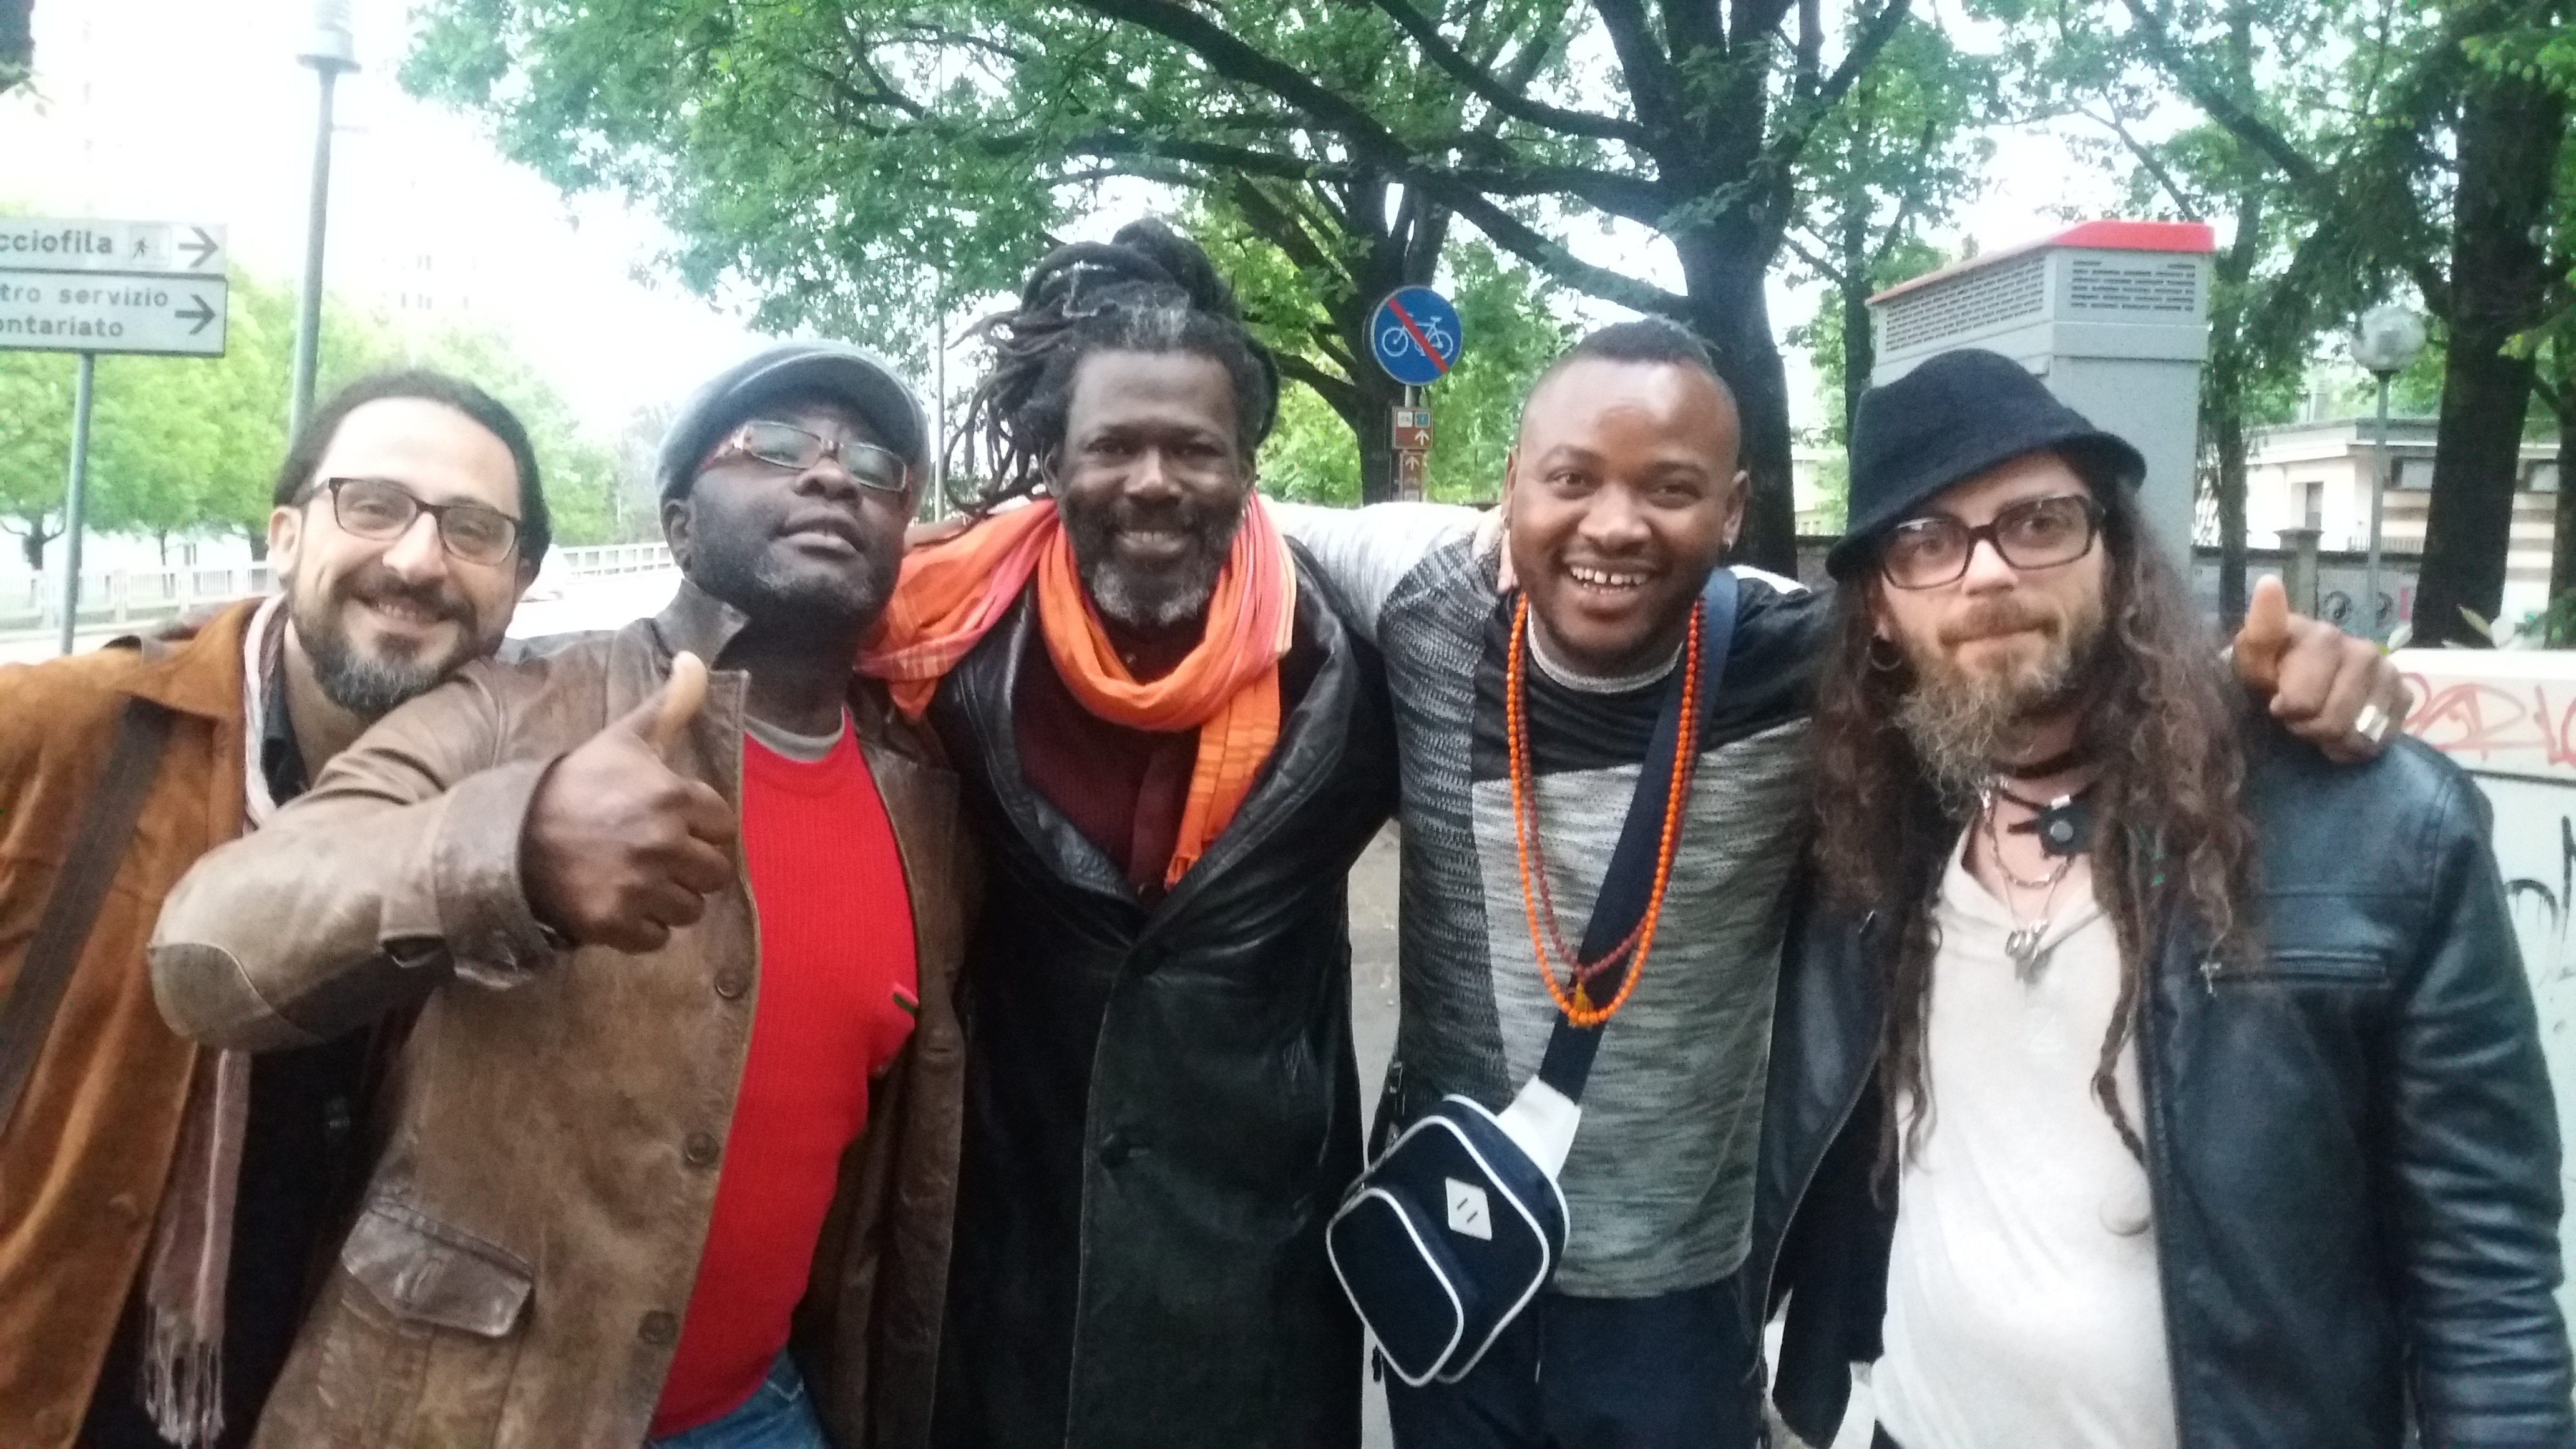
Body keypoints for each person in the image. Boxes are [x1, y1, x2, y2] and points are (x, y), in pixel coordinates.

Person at [1269, 323, 2407, 1449]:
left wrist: (2276, 680)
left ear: (1732, 509)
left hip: (1681, 1290)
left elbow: (2050, 665)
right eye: (1570, 480)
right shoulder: (1425, 590)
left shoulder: (1805, 661)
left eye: (1670, 488)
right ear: (1513, 480)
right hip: (1453, 1244)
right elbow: (1214, 497)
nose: (1613, 523)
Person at [149, 343, 973, 1449]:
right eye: (776, 445)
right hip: (455, 1420)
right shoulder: (512, 710)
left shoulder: (926, 804)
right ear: (680, 525)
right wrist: (514, 850)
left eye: (875, 465)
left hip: (760, 1411)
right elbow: (209, 949)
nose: (832, 474)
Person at [1752, 347, 2574, 1448]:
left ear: (2116, 551)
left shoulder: (2367, 824)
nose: (1986, 573)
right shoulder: (1876, 823)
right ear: (1880, 610)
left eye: (2038, 521)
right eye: (1927, 541)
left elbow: (2489, 1284)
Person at [859, 220, 1396, 1449]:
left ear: (1247, 468)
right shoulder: (940, 655)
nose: (1153, 479)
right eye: (1112, 445)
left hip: (1260, 1277)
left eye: (1194, 447)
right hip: (1014, 1266)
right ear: (1057, 460)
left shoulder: (1350, 671)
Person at [0, 371, 547, 1449]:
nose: (417, 559)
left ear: (522, 578)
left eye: (473, 529)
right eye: (373, 505)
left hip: (314, 1396)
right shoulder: (57, 734)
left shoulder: (519, 809)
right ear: (286, 536)